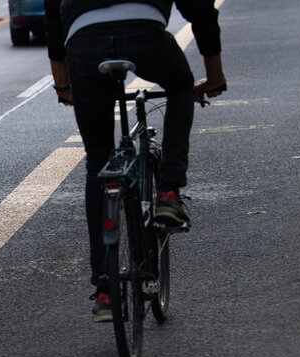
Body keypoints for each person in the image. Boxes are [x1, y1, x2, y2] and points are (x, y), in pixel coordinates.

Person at [44, 0, 227, 322]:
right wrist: (214, 76)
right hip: (146, 36)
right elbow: (201, 10)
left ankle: (105, 288)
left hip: (85, 46)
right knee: (181, 87)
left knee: (98, 161)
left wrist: (63, 86)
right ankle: (169, 192)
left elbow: (52, 17)